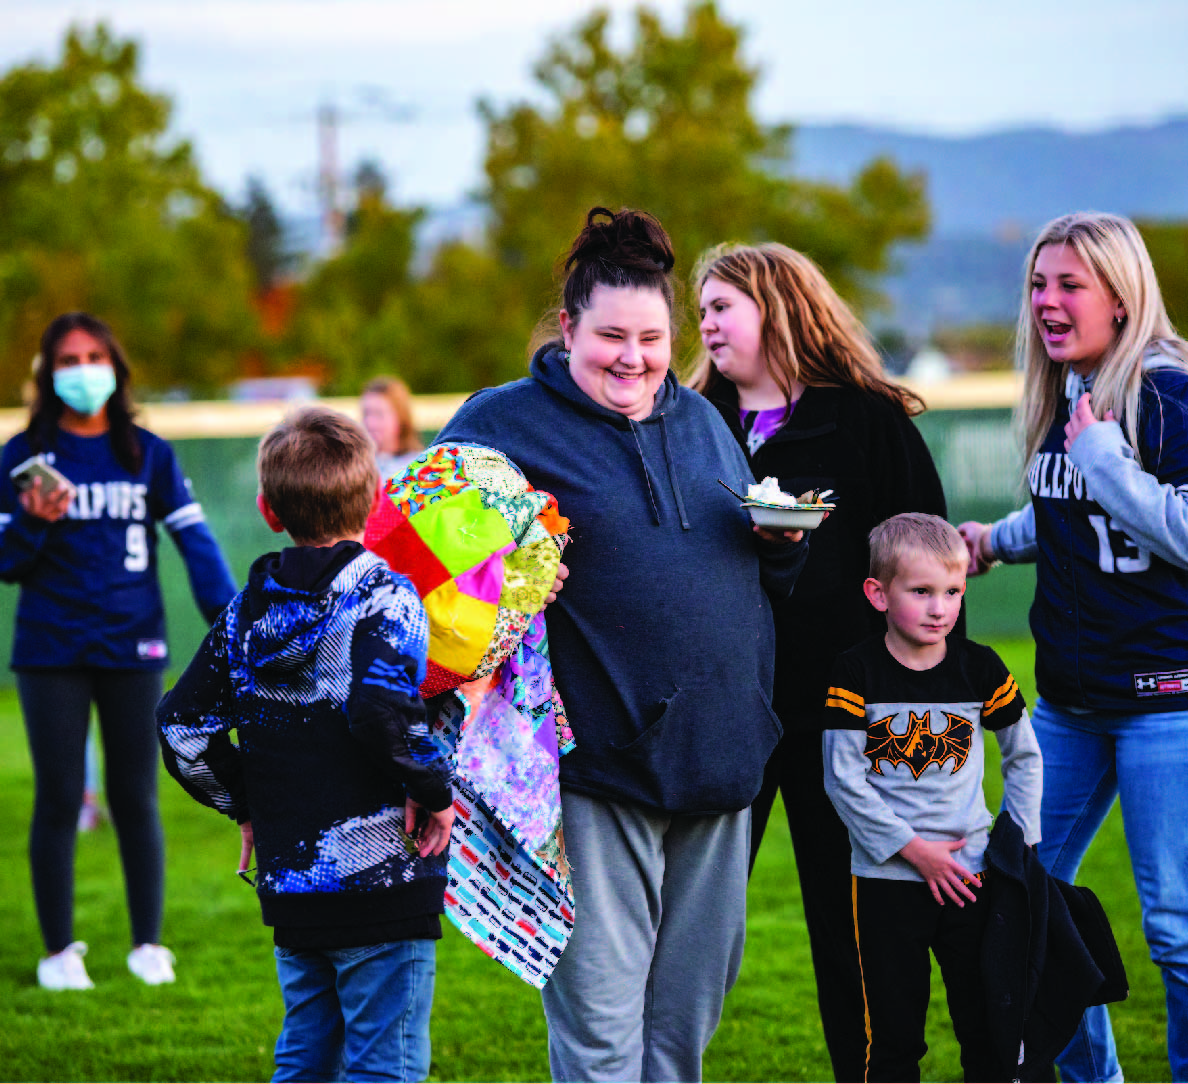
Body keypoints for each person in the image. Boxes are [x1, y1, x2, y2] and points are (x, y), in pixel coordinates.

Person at [436, 206, 808, 1083]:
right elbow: (417, 569)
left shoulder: (705, 424)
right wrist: (503, 579)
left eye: (651, 336)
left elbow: (746, 584)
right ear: (568, 328)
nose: (633, 358)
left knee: (681, 1040)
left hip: (721, 767)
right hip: (595, 775)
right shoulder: (503, 424)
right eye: (610, 336)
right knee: (603, 1038)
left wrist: (783, 550)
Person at [688, 241, 952, 1081]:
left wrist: (924, 734)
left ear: (778, 306)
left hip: (844, 715)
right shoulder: (683, 421)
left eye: (721, 305)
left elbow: (930, 575)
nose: (705, 322)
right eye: (701, 309)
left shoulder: (868, 421)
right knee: (687, 931)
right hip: (715, 713)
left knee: (860, 935)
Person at [157, 406, 455, 1083]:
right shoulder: (387, 597)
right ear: (378, 497)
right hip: (384, 878)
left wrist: (244, 803)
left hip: (293, 884)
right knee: (385, 1065)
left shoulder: (242, 614)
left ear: (267, 509)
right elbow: (381, 708)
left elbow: (182, 727)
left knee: (306, 1057)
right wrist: (433, 791)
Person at [958, 211, 1188, 1083]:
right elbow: (1066, 506)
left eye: (1070, 285)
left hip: (1169, 702)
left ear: (1123, 300)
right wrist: (998, 539)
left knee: (1176, 928)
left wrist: (1104, 459)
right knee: (1023, 896)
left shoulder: (1166, 395)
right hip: (1070, 705)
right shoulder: (1068, 391)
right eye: (1039, 284)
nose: (1047, 302)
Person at [0, 312, 236, 991]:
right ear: (49, 373)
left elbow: (195, 543)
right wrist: (30, 524)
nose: (82, 370)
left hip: (133, 643)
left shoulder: (147, 452)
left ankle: (147, 944)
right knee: (59, 795)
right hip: (50, 648)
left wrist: (229, 620)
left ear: (116, 365)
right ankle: (56, 953)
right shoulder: (22, 454)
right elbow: (6, 562)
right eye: (68, 359)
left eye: (93, 356)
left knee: (136, 795)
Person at [823, 512, 1042, 1081]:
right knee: (894, 1042)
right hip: (887, 883)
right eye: (921, 591)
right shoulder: (856, 673)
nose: (940, 607)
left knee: (988, 1032)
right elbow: (842, 779)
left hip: (972, 880)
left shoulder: (980, 668)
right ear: (878, 594)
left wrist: (1020, 841)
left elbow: (1023, 756)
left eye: (952, 592)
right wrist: (912, 849)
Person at [361, 375, 424, 482]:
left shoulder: (418, 468)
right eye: (366, 414)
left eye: (379, 414)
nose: (370, 423)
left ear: (400, 416)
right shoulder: (356, 466)